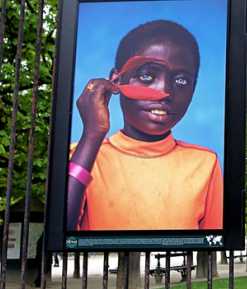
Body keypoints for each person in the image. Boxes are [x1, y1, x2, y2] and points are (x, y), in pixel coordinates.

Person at [66, 19, 223, 231]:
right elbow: (61, 235)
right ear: (116, 81)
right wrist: (93, 134)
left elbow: (212, 244)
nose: (165, 92)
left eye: (181, 81)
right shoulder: (81, 155)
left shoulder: (205, 163)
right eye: (147, 76)